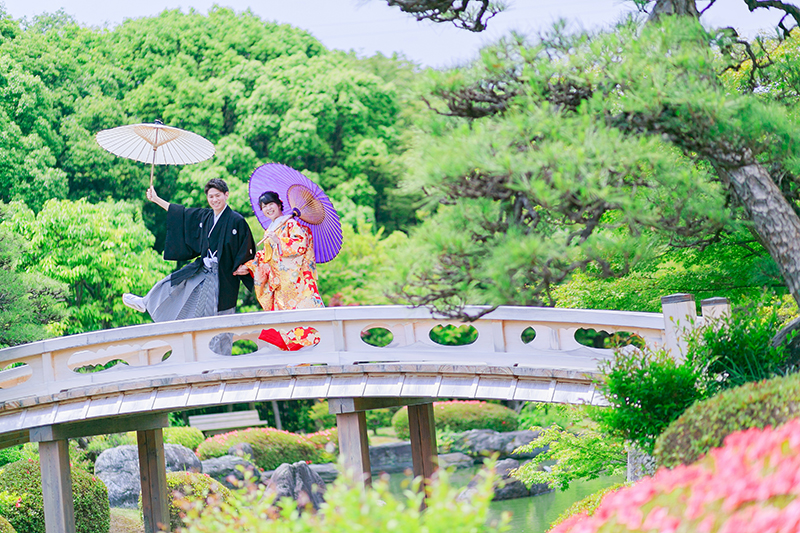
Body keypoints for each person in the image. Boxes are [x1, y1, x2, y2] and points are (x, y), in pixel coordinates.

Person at [123, 178, 255, 353]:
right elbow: (181, 214)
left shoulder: (237, 221)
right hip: (203, 270)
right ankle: (147, 301)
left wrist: (247, 266)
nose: (214, 200)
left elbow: (248, 250)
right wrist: (156, 199)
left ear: (226, 195)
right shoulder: (205, 216)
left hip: (223, 276)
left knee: (220, 318)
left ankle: (222, 358)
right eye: (211, 196)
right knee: (176, 282)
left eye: (218, 195)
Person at [233, 191, 324, 311]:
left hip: (295, 281)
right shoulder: (269, 230)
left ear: (279, 205)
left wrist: (279, 241)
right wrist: (250, 266)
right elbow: (267, 257)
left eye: (271, 204)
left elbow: (300, 245)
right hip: (278, 282)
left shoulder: (291, 224)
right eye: (264, 206)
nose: (268, 208)